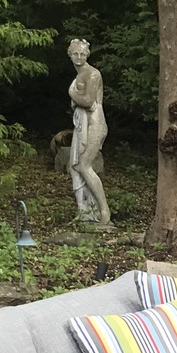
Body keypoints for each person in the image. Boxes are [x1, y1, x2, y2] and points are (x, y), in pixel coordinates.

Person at [66, 38, 111, 228]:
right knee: (75, 166)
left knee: (84, 166)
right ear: (70, 54)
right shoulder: (81, 74)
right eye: (75, 53)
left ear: (87, 55)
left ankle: (104, 212)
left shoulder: (93, 74)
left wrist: (71, 92)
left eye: (82, 54)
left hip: (94, 124)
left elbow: (88, 101)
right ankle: (86, 212)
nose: (79, 57)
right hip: (83, 124)